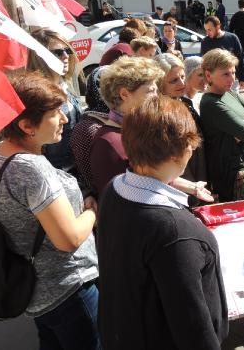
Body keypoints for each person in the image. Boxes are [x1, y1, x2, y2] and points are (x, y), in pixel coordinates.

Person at [97, 95, 228, 350]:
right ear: (182, 150)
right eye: (190, 144)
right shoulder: (175, 231)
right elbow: (193, 328)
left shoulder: (115, 189)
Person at [0, 72, 99, 349]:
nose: (65, 119)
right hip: (67, 289)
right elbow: (67, 239)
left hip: (37, 289)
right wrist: (93, 211)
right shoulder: (32, 169)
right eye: (55, 113)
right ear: (26, 125)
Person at [89, 56, 162, 196]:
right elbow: (115, 201)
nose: (156, 97)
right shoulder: (109, 143)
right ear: (124, 94)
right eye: (150, 91)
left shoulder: (138, 129)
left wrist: (193, 187)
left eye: (156, 90)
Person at [200, 49, 244, 201]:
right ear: (209, 75)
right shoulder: (211, 103)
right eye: (226, 74)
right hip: (232, 173)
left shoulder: (228, 92)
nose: (232, 79)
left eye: (233, 73)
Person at [29, 28, 84, 170]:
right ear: (40, 56)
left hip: (75, 168)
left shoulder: (65, 84)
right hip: (54, 170)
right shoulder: (36, 95)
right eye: (58, 52)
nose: (66, 56)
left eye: (68, 50)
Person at [154, 54, 208, 185]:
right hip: (181, 181)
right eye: (174, 80)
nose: (182, 83)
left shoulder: (184, 101)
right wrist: (191, 187)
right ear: (159, 83)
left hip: (199, 173)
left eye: (183, 77)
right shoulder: (158, 113)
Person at [201, 16, 244, 89]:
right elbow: (204, 63)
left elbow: (241, 58)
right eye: (206, 30)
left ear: (218, 26)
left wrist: (243, 78)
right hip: (214, 82)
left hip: (231, 80)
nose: (207, 33)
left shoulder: (232, 38)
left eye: (209, 30)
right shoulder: (205, 42)